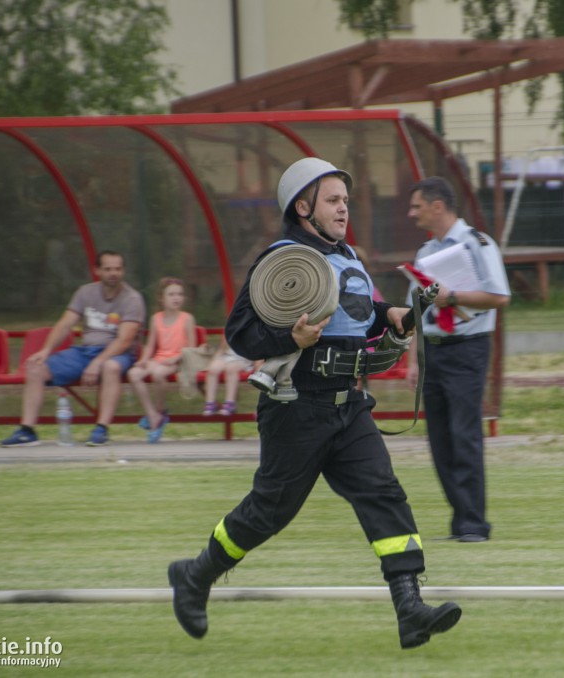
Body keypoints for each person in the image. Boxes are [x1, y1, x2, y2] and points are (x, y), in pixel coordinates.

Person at [167, 157, 462, 650]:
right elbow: (240, 334)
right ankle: (196, 576)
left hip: (349, 405)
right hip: (295, 407)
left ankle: (410, 609)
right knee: (269, 512)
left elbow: (366, 315)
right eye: (332, 199)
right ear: (302, 206)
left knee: (383, 493)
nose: (343, 207)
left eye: (345, 200)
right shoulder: (281, 259)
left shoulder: (348, 257)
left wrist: (400, 316)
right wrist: (291, 335)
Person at [405, 177, 511, 543]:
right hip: (432, 349)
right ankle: (461, 519)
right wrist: (414, 359)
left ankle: (472, 524)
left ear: (438, 206)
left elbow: (498, 296)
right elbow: (415, 307)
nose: (411, 213)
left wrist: (452, 297)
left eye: (417, 206)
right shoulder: (424, 254)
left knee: (464, 435)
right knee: (439, 441)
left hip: (467, 349)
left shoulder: (477, 245)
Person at [0, 250, 146, 447]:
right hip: (85, 351)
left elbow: (125, 341)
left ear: (124, 271)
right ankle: (27, 431)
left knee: (111, 367)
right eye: (108, 269)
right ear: (97, 271)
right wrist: (45, 350)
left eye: (118, 269)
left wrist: (97, 362)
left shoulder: (132, 298)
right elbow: (65, 324)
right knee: (35, 368)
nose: (113, 273)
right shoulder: (85, 292)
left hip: (116, 354)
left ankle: (101, 429)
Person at [128, 277, 196, 444]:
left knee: (158, 373)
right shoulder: (156, 318)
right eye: (171, 294)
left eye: (179, 294)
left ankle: (160, 411)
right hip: (160, 358)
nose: (176, 298)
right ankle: (153, 414)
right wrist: (144, 360)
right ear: (162, 298)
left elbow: (192, 349)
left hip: (178, 360)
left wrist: (175, 358)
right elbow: (150, 345)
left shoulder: (187, 318)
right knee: (134, 374)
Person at [201, 334, 256, 417]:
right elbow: (221, 349)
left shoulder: (252, 329)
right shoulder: (230, 328)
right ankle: (210, 403)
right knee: (213, 369)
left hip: (244, 358)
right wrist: (213, 361)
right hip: (227, 356)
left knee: (231, 368)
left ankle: (230, 403)